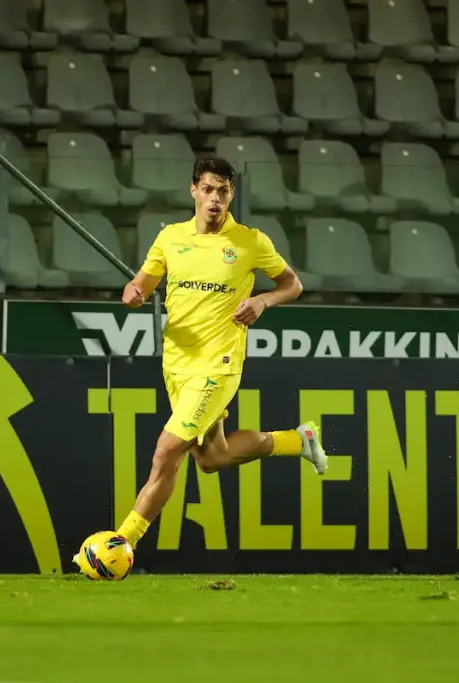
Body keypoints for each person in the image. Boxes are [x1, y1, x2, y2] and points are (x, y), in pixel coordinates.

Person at [103, 155, 327, 552]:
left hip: (219, 365)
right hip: (176, 364)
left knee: (166, 451)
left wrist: (262, 301)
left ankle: (122, 543)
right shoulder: (170, 238)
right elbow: (140, 285)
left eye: (222, 191)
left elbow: (292, 285)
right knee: (211, 458)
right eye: (207, 189)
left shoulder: (250, 242)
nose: (215, 199)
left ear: (231, 194)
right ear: (193, 190)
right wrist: (133, 294)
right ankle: (297, 440)